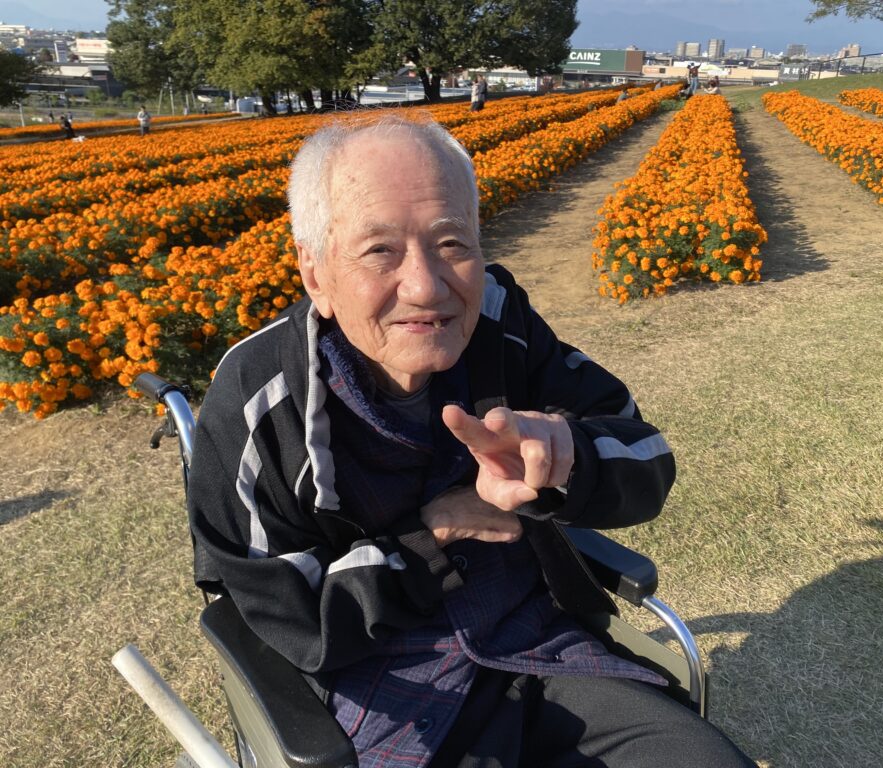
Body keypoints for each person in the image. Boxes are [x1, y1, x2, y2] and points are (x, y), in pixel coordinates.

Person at [187, 113, 755, 768]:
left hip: (540, 647)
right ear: (315, 273)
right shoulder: (261, 401)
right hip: (380, 694)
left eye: (452, 242)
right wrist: (430, 540)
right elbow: (281, 616)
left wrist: (565, 454)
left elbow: (645, 453)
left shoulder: (499, 323)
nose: (427, 286)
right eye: (380, 251)